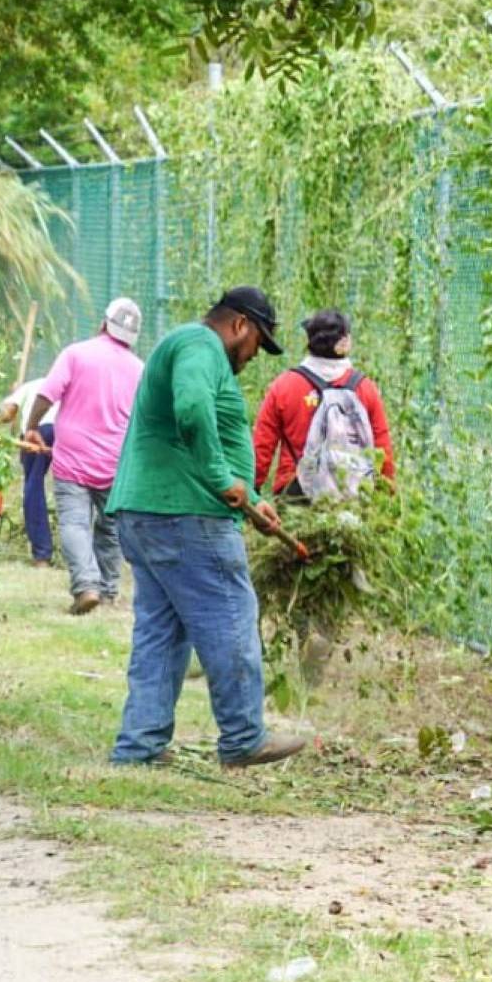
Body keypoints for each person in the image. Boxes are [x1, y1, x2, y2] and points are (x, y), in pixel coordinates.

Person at [105, 286, 307, 770]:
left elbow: (211, 432)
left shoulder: (189, 347)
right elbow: (193, 410)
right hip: (186, 515)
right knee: (232, 615)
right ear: (239, 324)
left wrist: (254, 500)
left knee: (163, 630)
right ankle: (243, 736)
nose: (255, 355)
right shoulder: (200, 346)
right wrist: (221, 481)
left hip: (148, 510)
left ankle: (140, 745)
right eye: (257, 341)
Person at [23, 298, 145, 615]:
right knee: (110, 528)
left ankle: (85, 585)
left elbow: (46, 394)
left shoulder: (76, 354)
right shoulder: (139, 369)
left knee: (75, 523)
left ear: (104, 323)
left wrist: (31, 426)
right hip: (116, 463)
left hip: (73, 459)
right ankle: (106, 590)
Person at [251, 308, 396, 498]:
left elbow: (263, 445)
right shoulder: (365, 388)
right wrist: (387, 495)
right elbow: (381, 447)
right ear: (345, 342)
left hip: (297, 494)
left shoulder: (285, 385)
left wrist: (252, 489)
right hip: (353, 496)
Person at [0, 376, 59, 566]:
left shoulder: (29, 385)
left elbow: (6, 414)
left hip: (39, 431)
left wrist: (10, 399)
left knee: (33, 487)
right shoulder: (64, 384)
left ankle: (42, 554)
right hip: (69, 430)